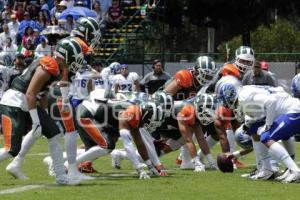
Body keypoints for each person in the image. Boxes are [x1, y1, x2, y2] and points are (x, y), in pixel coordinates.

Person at [0, 39, 84, 185]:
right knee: (11, 149)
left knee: (54, 133)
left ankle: (61, 177)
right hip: (14, 102)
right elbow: (31, 93)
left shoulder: (57, 69)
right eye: (74, 57)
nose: (76, 62)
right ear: (65, 55)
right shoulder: (49, 65)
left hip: (26, 103)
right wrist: (37, 122)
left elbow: (42, 94)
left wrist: (44, 115)